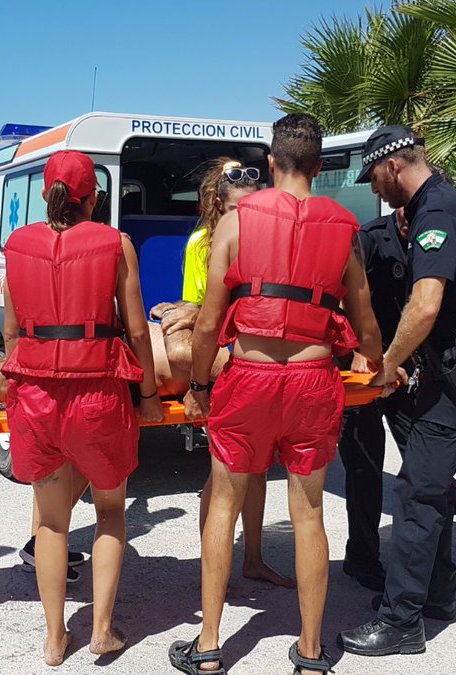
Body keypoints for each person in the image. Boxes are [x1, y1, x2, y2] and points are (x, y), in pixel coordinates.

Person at [171, 113, 384, 675]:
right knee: (309, 512)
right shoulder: (345, 227)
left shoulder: (236, 222)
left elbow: (209, 323)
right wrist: (382, 365)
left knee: (224, 501)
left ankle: (209, 646)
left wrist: (198, 385)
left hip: (248, 379)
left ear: (270, 163)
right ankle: (311, 652)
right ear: (320, 165)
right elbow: (365, 323)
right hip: (314, 382)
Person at [338, 126, 456, 658]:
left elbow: (427, 305)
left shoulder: (437, 212)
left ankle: (401, 621)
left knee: (417, 491)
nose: (374, 189)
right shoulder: (434, 207)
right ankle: (436, 591)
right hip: (447, 371)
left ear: (393, 166)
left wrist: (387, 364)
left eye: (374, 178)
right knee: (428, 487)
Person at [1, 150, 163, 667]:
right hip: (98, 394)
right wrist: (150, 396)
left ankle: (54, 639)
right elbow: (137, 331)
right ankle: (101, 631)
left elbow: (11, 335)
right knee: (110, 511)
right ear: (93, 197)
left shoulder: (17, 245)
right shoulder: (116, 244)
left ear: (45, 194)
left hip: (35, 396)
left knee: (51, 522)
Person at [150, 158, 293, 588]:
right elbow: (199, 312)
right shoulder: (201, 244)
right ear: (218, 206)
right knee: (224, 473)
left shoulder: (271, 237)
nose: (246, 219)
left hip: (251, 355)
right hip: (231, 362)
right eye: (237, 211)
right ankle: (214, 572)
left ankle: (253, 559)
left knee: (256, 469)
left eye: (253, 209)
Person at [336, 207, 413, 592]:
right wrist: (356, 351)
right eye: (404, 210)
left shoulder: (437, 234)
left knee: (422, 465)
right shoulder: (369, 239)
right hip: (362, 367)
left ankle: (421, 559)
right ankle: (362, 556)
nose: (408, 218)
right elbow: (341, 299)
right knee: (364, 467)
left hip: (405, 367)